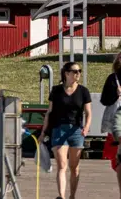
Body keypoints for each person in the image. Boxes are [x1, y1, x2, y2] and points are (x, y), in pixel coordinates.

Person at [40, 61, 93, 199]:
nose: (78, 74)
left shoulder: (83, 91)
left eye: (79, 71)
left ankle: (72, 196)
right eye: (75, 71)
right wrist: (43, 132)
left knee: (74, 167)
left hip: (76, 130)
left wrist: (86, 127)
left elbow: (88, 113)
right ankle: (61, 196)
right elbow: (49, 112)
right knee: (62, 165)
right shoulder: (56, 91)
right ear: (67, 73)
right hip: (59, 129)